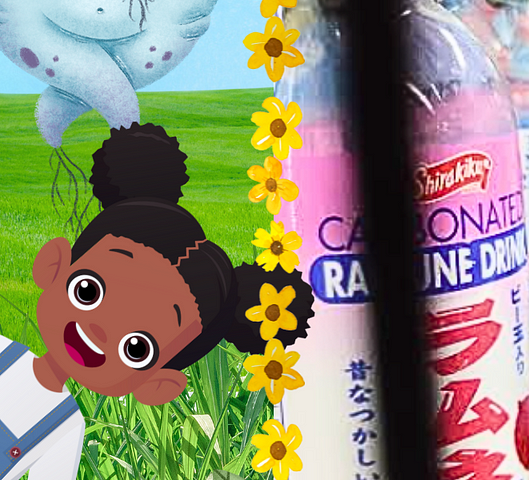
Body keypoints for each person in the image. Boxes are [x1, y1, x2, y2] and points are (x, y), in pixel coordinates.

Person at [1, 122, 314, 480]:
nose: (100, 331)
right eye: (88, 291)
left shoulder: (64, 429)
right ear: (52, 265)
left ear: (157, 386)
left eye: (137, 347)